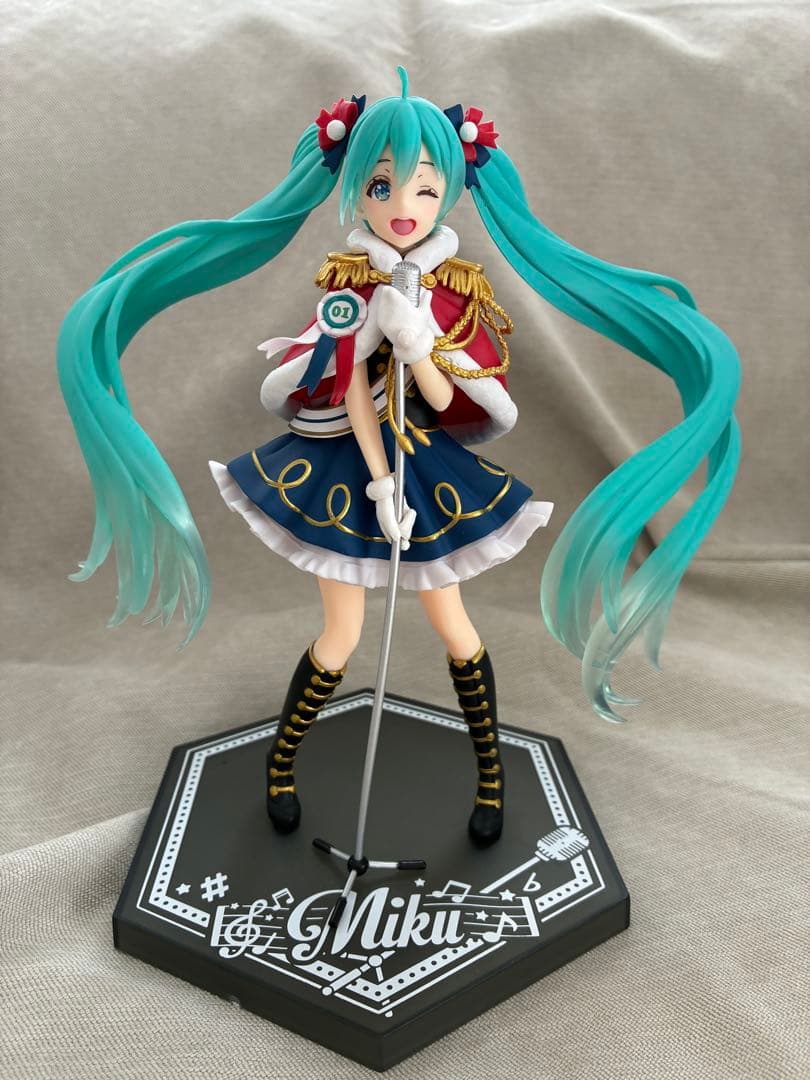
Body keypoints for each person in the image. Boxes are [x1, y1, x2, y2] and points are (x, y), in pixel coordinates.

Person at [56, 67, 741, 848]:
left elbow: (453, 404)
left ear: (450, 191)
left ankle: (490, 777)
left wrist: (417, 346)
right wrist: (380, 481)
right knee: (340, 637)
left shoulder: (459, 291)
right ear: (357, 188)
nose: (403, 205)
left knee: (456, 627)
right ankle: (281, 766)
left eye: (425, 187)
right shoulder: (347, 285)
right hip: (346, 471)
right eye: (382, 186)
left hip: (430, 467)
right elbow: (346, 389)